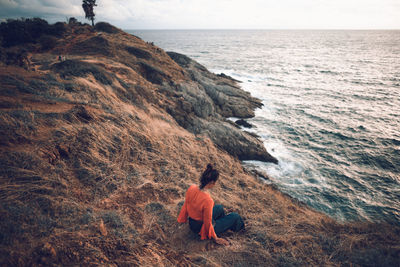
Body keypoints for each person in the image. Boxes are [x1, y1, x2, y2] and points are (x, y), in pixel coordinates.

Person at [177, 164, 245, 245]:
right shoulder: (207, 200)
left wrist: (182, 219)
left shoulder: (192, 187)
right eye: (215, 182)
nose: (215, 184)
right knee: (235, 216)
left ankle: (222, 224)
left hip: (192, 223)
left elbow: (186, 205)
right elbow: (208, 222)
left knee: (219, 208)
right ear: (212, 182)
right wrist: (216, 238)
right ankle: (241, 229)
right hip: (200, 228)